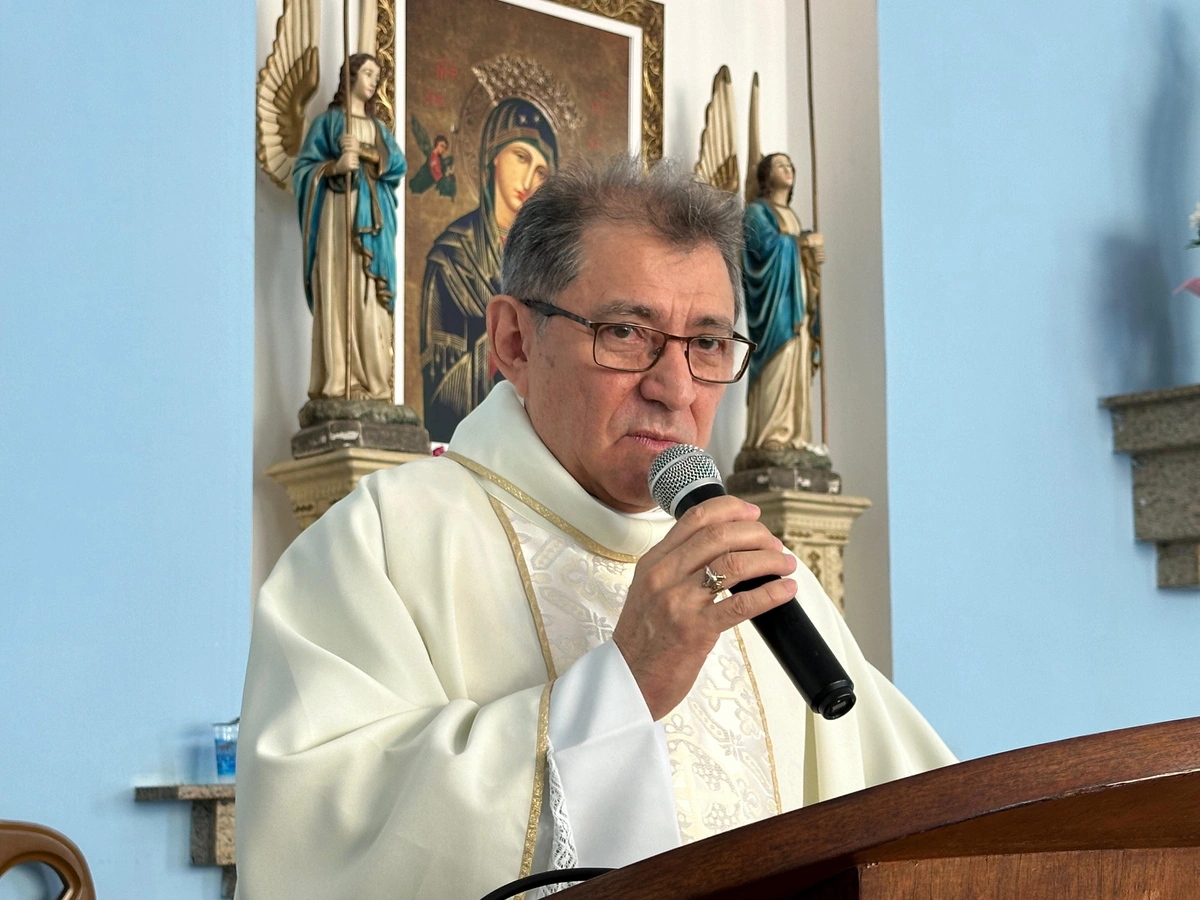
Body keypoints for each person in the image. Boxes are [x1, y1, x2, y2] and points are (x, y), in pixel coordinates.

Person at [236, 156, 954, 900]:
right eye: (625, 332)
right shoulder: (382, 544)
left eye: (706, 344)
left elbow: (938, 829)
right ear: (514, 341)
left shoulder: (764, 578)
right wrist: (622, 686)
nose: (674, 388)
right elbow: (319, 838)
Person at [419, 97, 558, 442]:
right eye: (521, 157)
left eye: (541, 171)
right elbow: (439, 382)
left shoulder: (555, 269)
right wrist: (504, 351)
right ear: (493, 156)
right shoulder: (451, 256)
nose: (529, 178)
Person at [293, 53, 406, 401]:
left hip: (372, 223)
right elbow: (302, 171)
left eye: (376, 75)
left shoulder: (377, 129)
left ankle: (374, 384)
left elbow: (397, 165)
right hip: (338, 220)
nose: (373, 82)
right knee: (340, 290)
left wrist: (368, 153)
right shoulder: (328, 123)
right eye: (367, 74)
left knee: (371, 300)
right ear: (350, 77)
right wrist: (333, 167)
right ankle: (341, 381)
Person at [741, 153, 824, 453]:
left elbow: (799, 258)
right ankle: (770, 434)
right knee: (778, 361)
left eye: (791, 165)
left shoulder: (791, 215)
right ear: (765, 176)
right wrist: (799, 244)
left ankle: (794, 435)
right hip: (775, 305)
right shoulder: (756, 212)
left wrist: (813, 258)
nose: (788, 169)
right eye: (780, 165)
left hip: (798, 303)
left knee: (797, 362)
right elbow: (760, 248)